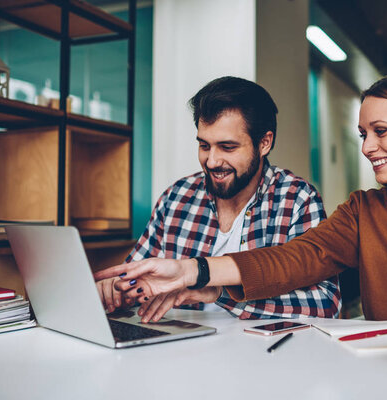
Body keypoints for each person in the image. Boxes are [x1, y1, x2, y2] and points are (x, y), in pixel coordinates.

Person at [95, 69, 387, 322]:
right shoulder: (363, 211)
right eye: (363, 133)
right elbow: (291, 259)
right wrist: (193, 271)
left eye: (380, 132)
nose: (367, 148)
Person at [96, 76, 341, 322]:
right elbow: (135, 281)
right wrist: (118, 290)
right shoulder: (176, 197)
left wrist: (221, 294)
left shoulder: (297, 200)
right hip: (180, 350)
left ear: (264, 143)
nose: (212, 161)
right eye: (204, 146)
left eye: (227, 147)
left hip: (263, 354)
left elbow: (324, 304)